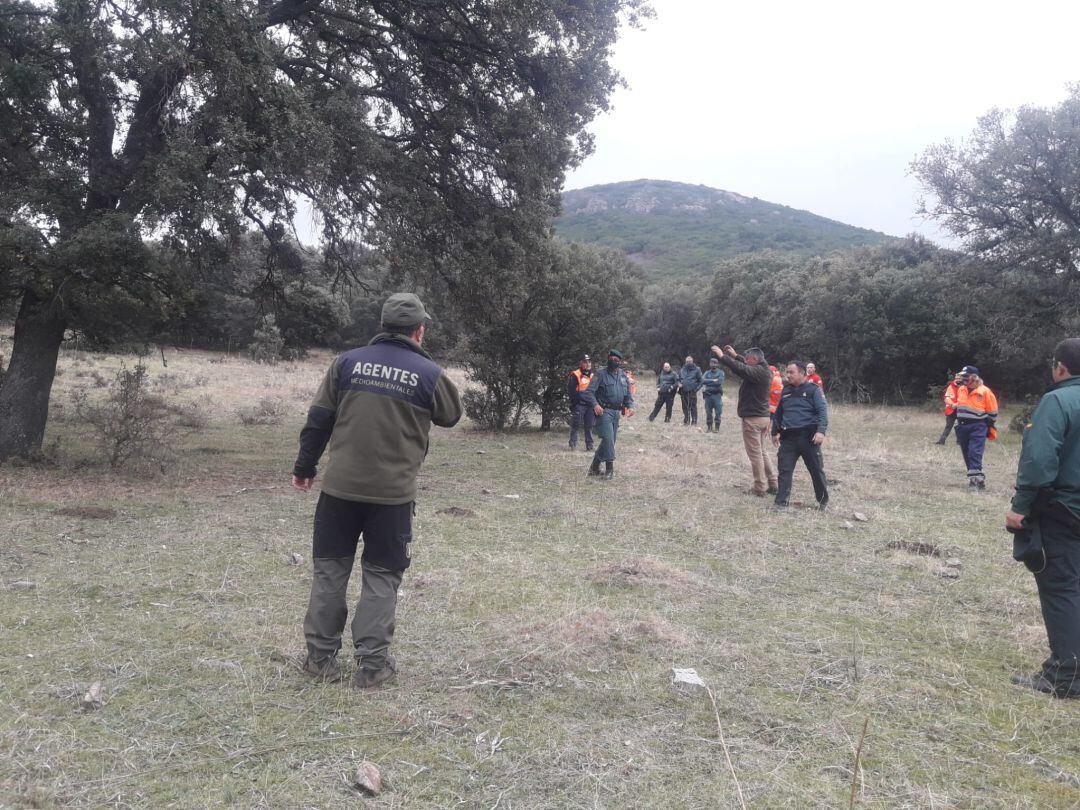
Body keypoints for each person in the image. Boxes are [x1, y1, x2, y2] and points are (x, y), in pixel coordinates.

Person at [291, 293, 463, 689]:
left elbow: (318, 419)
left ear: (383, 325)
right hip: (393, 496)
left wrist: (304, 468)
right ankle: (371, 667)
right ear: (420, 330)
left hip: (339, 491)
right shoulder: (428, 372)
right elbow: (451, 416)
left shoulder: (346, 363)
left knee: (330, 572)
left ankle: (320, 659)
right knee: (382, 577)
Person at [1005, 338, 1080, 698]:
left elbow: (1039, 461)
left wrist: (1020, 506)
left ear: (1060, 367)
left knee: (1061, 588)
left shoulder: (1057, 400)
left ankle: (1065, 675)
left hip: (1063, 511)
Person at [713, 344, 777, 496]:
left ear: (754, 359)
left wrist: (723, 357)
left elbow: (742, 369)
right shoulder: (764, 369)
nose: (745, 361)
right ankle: (774, 483)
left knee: (755, 454)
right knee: (762, 452)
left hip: (753, 419)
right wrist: (735, 356)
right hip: (763, 417)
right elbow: (746, 365)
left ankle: (759, 487)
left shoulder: (758, 372)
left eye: (748, 359)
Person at [771, 361, 829, 509]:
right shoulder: (786, 390)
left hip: (808, 438)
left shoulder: (814, 390)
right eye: (787, 372)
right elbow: (779, 412)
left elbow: (822, 412)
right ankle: (781, 503)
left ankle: (823, 502)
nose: (788, 375)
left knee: (816, 470)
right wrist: (775, 431)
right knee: (784, 470)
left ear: (802, 373)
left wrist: (821, 431)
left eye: (791, 372)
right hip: (788, 438)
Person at [579, 349, 635, 479]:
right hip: (604, 411)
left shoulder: (622, 375)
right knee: (608, 439)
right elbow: (588, 392)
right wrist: (595, 404)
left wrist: (630, 406)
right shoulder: (600, 374)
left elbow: (627, 394)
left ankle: (594, 467)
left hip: (617, 412)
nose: (614, 362)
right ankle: (610, 470)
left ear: (620, 362)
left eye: (617, 360)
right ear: (608, 358)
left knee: (609, 442)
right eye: (612, 359)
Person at [954, 365, 998, 490]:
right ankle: (976, 479)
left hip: (978, 426)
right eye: (962, 376)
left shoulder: (985, 391)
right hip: (962, 426)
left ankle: (975, 482)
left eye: (966, 376)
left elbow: (993, 412)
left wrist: (988, 425)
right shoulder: (961, 389)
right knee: (967, 454)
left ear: (974, 377)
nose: (963, 378)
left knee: (974, 453)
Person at [566, 354, 594, 452]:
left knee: (589, 426)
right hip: (579, 404)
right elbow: (572, 391)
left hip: (590, 405)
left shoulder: (593, 375)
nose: (588, 364)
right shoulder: (575, 374)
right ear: (581, 363)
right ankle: (573, 444)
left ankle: (589, 446)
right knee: (576, 425)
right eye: (585, 362)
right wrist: (575, 404)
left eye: (589, 362)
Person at [935, 372, 963, 445]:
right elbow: (946, 397)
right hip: (951, 410)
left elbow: (965, 399)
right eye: (957, 378)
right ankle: (941, 441)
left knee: (960, 426)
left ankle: (959, 442)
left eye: (959, 378)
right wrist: (952, 404)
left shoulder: (964, 387)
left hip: (961, 410)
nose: (958, 379)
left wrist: (956, 405)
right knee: (948, 426)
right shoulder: (950, 386)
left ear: (962, 378)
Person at [701, 357, 725, 433]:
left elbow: (719, 382)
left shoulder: (721, 372)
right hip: (708, 396)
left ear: (717, 364)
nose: (712, 364)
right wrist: (712, 380)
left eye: (714, 363)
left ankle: (717, 428)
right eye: (711, 363)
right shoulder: (707, 372)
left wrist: (708, 382)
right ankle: (709, 427)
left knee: (718, 412)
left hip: (717, 395)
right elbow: (702, 381)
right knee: (708, 412)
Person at [678, 355, 703, 426]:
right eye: (687, 362)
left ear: (692, 362)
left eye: (690, 361)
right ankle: (686, 421)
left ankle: (694, 421)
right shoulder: (682, 369)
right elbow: (678, 379)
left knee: (693, 407)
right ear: (685, 362)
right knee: (685, 407)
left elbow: (701, 381)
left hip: (692, 391)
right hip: (683, 391)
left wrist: (696, 389)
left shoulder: (697, 369)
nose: (688, 363)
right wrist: (679, 383)